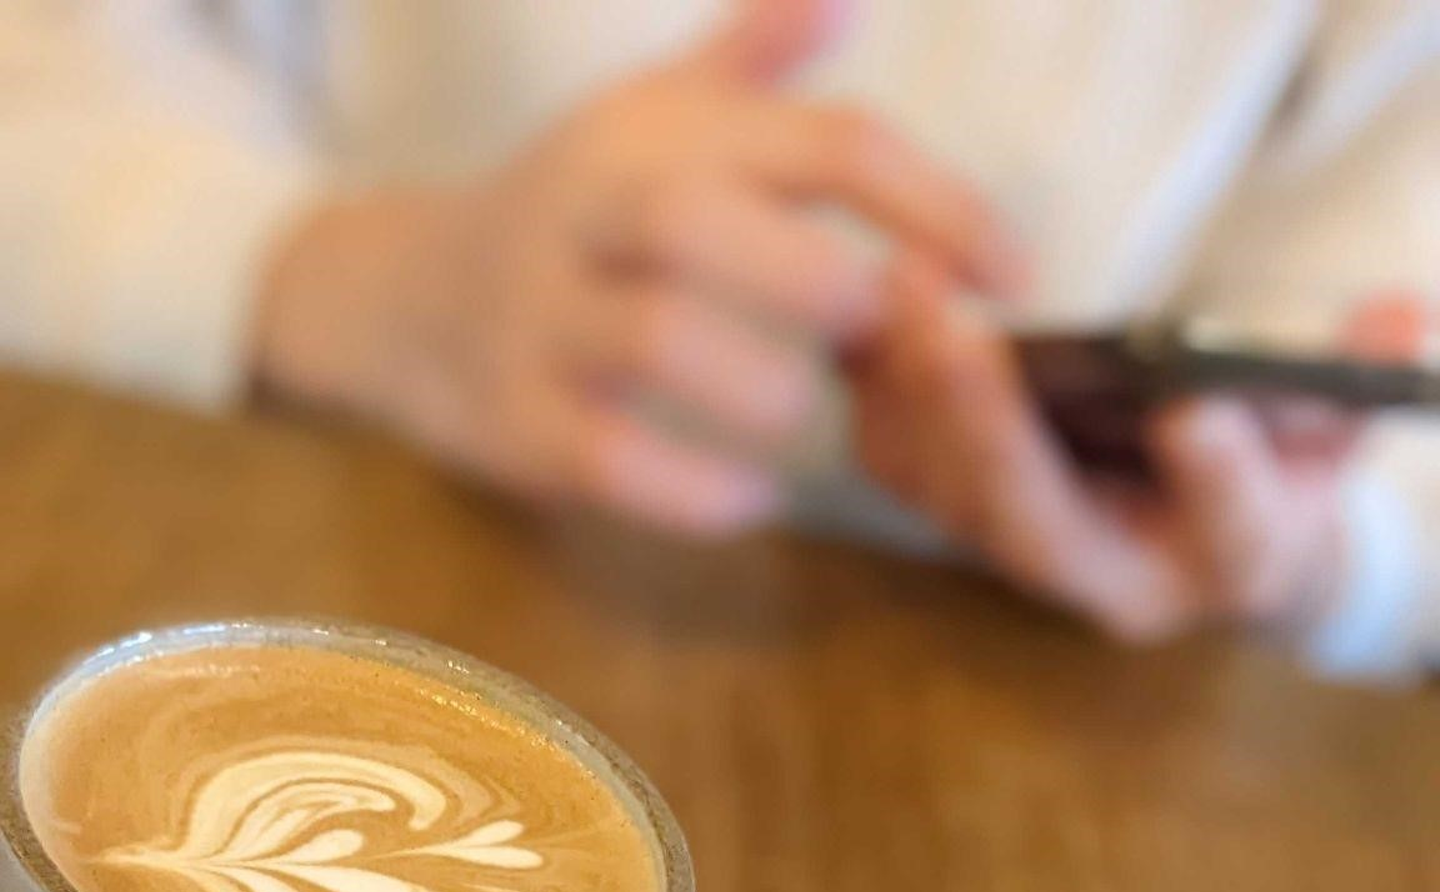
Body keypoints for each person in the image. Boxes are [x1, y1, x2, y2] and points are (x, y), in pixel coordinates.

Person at [1, 0, 1437, 676]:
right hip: (304, 536)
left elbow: (1400, 425)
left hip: (1040, 685)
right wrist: (358, 274)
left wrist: (1315, 552)